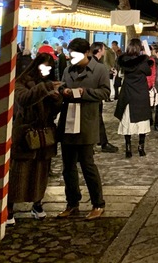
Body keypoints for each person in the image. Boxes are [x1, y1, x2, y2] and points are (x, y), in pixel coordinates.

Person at [6, 53, 63, 225]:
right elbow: (24, 99)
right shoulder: (21, 82)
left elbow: (54, 110)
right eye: (43, 66)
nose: (46, 70)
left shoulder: (49, 83)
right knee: (19, 172)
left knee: (41, 171)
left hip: (44, 133)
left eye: (49, 67)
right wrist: (45, 89)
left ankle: (37, 203)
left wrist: (57, 98)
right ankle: (9, 208)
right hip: (26, 133)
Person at [56, 37, 109, 220]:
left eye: (77, 55)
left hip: (86, 121)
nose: (73, 58)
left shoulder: (99, 70)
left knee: (87, 164)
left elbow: (105, 92)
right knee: (68, 166)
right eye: (71, 55)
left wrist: (82, 92)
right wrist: (61, 91)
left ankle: (98, 203)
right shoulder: (67, 70)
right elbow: (61, 85)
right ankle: (72, 203)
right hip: (68, 120)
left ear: (87, 53)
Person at [114, 38, 152, 158]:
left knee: (127, 121)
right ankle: (141, 148)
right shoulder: (142, 62)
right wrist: (147, 57)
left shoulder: (124, 62)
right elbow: (148, 72)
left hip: (127, 94)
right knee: (142, 122)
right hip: (140, 95)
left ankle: (128, 148)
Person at [89, 42, 118, 153]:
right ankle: (98, 143)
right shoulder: (94, 63)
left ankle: (102, 141)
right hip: (94, 96)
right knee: (94, 120)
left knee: (98, 120)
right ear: (100, 50)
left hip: (95, 96)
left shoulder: (96, 62)